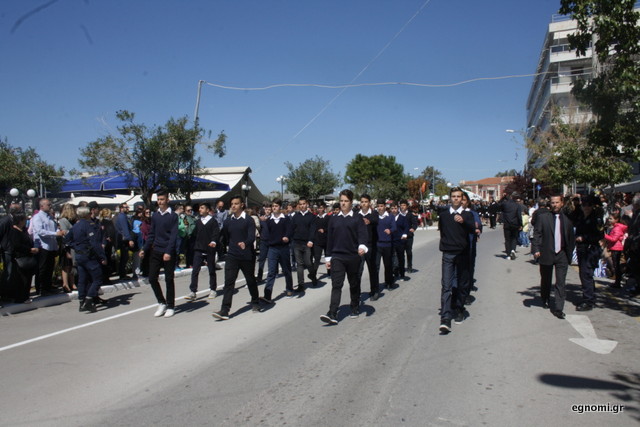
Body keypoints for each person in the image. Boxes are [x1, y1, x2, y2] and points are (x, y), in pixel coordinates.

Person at [320, 189, 368, 325]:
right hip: (337, 257)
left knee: (354, 283)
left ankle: (355, 306)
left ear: (351, 202)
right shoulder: (333, 219)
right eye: (341, 201)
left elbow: (363, 234)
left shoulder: (357, 218)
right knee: (336, 285)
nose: (343, 203)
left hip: (353, 257)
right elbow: (330, 239)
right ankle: (332, 313)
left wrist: (362, 246)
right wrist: (328, 258)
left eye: (346, 201)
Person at [212, 195, 262, 320]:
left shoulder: (248, 220)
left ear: (242, 205)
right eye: (232, 204)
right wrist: (216, 243)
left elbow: (251, 236)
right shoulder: (228, 221)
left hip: (247, 256)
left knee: (250, 280)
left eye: (236, 203)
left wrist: (245, 243)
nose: (233, 206)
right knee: (229, 283)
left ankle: (255, 301)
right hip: (232, 255)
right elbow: (224, 236)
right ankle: (225, 310)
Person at [437, 187, 476, 333]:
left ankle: (459, 309)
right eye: (453, 196)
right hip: (448, 253)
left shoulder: (467, 215)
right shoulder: (444, 215)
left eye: (458, 196)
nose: (456, 199)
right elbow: (442, 231)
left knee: (461, 283)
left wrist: (463, 222)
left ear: (462, 199)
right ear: (450, 198)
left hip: (462, 253)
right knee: (446, 285)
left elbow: (472, 229)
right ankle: (445, 317)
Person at [531, 194, 576, 319]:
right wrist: (536, 249)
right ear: (549, 204)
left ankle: (559, 308)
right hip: (546, 252)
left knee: (560, 282)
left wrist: (569, 254)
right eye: (552, 202)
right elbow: (537, 234)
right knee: (546, 279)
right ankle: (545, 298)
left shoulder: (567, 219)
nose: (555, 205)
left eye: (557, 202)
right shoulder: (543, 218)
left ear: (562, 203)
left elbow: (571, 238)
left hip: (562, 254)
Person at [140, 190, 179, 318]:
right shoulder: (155, 215)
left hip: (168, 251)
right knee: (152, 278)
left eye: (162, 199)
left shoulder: (173, 216)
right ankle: (161, 302)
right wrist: (144, 249)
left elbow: (173, 236)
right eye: (158, 199)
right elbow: (151, 234)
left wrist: (168, 252)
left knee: (169, 279)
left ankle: (171, 306)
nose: (160, 202)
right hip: (156, 250)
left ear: (167, 200)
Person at [65, 206, 107, 313]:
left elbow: (67, 239)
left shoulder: (75, 226)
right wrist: (102, 256)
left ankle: (81, 301)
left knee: (82, 280)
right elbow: (94, 243)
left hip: (79, 256)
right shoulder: (88, 226)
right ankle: (88, 300)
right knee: (97, 278)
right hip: (89, 256)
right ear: (87, 214)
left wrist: (76, 246)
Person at [569, 195, 604, 311]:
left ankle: (588, 301)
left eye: (589, 205)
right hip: (582, 249)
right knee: (585, 274)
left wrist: (584, 238)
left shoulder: (596, 218)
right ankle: (590, 296)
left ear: (592, 206)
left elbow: (599, 235)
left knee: (586, 274)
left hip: (591, 249)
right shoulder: (580, 216)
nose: (586, 207)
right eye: (584, 205)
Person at [184, 202, 220, 301]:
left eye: (202, 208)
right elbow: (194, 235)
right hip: (198, 249)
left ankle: (213, 289)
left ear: (207, 210)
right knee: (195, 270)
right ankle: (193, 291)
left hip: (209, 249)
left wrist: (213, 241)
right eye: (199, 208)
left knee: (211, 270)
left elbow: (216, 233)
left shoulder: (213, 221)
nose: (200, 209)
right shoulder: (198, 222)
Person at [261, 199, 294, 302]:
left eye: (276, 206)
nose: (274, 208)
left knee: (286, 270)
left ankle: (289, 289)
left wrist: (287, 237)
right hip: (272, 249)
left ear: (280, 207)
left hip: (283, 248)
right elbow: (267, 234)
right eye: (273, 206)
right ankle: (267, 296)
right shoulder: (269, 221)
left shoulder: (286, 219)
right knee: (271, 272)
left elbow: (290, 230)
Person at [31, 198, 65, 295]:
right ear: (42, 206)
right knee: (42, 268)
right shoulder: (37, 217)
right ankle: (41, 288)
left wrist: (58, 232)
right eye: (48, 205)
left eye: (50, 204)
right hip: (43, 246)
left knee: (50, 268)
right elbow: (40, 231)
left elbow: (54, 228)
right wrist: (55, 233)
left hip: (51, 246)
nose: (50, 206)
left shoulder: (50, 216)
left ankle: (48, 286)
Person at [6, 212, 39, 304]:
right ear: (20, 221)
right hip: (20, 257)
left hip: (28, 257)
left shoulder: (23, 230)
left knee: (27, 278)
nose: (26, 221)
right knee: (21, 279)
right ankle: (20, 297)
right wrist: (29, 250)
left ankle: (25, 296)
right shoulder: (13, 231)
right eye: (24, 219)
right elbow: (16, 245)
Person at [291, 197, 317, 291]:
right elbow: (291, 228)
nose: (302, 206)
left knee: (308, 263)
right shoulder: (295, 216)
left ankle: (313, 276)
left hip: (307, 244)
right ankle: (301, 285)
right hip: (297, 243)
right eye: (300, 204)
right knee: (300, 264)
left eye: (303, 204)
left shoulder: (312, 216)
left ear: (307, 204)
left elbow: (313, 229)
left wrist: (311, 240)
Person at [357, 194, 379, 300]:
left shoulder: (374, 214)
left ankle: (375, 291)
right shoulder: (356, 215)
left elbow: (376, 221)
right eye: (362, 202)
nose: (364, 204)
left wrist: (369, 221)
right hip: (360, 247)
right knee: (358, 271)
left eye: (366, 202)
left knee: (372, 269)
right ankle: (356, 293)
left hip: (371, 246)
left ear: (369, 203)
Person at [374, 199, 396, 297]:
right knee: (376, 266)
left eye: (381, 206)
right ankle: (375, 286)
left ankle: (389, 283)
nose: (380, 208)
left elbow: (394, 227)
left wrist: (390, 230)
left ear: (385, 206)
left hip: (387, 245)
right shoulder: (375, 217)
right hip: (377, 245)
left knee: (388, 265)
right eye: (378, 206)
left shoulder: (390, 216)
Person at [603, 212, 627, 288]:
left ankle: (617, 282)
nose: (609, 220)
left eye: (611, 219)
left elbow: (614, 239)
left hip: (616, 248)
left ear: (616, 220)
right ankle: (617, 281)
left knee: (616, 265)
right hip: (614, 247)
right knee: (615, 265)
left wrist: (605, 236)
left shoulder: (617, 228)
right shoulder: (615, 227)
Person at [58, 203, 77, 293]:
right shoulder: (63, 220)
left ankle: (72, 283)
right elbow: (64, 233)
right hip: (66, 245)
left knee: (72, 265)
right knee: (66, 266)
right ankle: (65, 284)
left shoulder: (74, 220)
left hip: (73, 244)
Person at [499, 192, 523, 260]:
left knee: (507, 239)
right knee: (514, 238)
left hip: (507, 224)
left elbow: (499, 205)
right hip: (515, 224)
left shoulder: (505, 204)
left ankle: (508, 254)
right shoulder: (517, 205)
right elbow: (519, 216)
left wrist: (503, 197)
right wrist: (521, 224)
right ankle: (513, 250)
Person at [114, 203, 135, 279]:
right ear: (121, 208)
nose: (128, 209)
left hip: (123, 239)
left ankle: (122, 274)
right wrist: (130, 239)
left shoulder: (122, 216)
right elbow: (125, 228)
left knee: (125, 257)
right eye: (126, 207)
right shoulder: (122, 216)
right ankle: (122, 274)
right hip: (124, 240)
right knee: (124, 257)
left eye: (128, 207)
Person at [310, 203, 329, 284]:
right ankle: (313, 275)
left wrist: (324, 230)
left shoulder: (328, 217)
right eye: (318, 208)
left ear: (324, 208)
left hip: (327, 241)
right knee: (317, 258)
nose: (320, 209)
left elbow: (331, 228)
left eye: (321, 208)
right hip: (317, 241)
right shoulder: (315, 218)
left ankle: (329, 271)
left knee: (328, 257)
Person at [390, 202, 408, 280]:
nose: (394, 210)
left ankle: (402, 274)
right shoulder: (388, 218)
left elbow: (406, 227)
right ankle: (394, 272)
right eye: (392, 208)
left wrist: (404, 234)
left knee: (401, 257)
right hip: (391, 241)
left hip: (400, 241)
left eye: (395, 208)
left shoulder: (402, 218)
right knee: (392, 258)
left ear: (398, 209)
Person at [399, 200, 418, 273]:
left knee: (409, 252)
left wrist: (413, 228)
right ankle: (401, 267)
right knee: (401, 253)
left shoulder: (410, 215)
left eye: (404, 205)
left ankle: (409, 266)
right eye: (401, 205)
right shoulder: (398, 215)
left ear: (407, 206)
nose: (402, 206)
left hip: (409, 236)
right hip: (400, 237)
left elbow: (415, 223)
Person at [255, 203, 272, 283]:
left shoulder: (272, 219)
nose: (267, 211)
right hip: (263, 241)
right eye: (266, 209)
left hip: (271, 241)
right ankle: (260, 276)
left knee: (271, 259)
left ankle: (270, 275)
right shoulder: (261, 219)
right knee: (262, 259)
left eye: (269, 210)